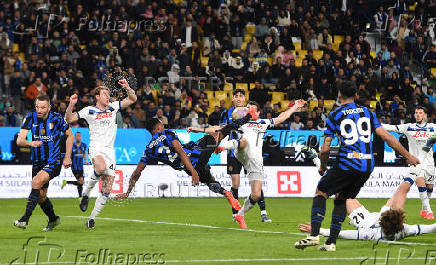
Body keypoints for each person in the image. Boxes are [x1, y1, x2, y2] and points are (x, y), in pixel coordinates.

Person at [294, 81, 419, 251]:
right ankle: (330, 243)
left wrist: (322, 166)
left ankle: (314, 235)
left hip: (347, 162)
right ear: (356, 95)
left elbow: (325, 148)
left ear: (339, 95)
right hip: (367, 165)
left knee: (321, 192)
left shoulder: (335, 114)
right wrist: (408, 156)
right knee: (342, 199)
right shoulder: (368, 112)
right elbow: (386, 136)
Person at [115, 110, 258, 212]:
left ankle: (227, 193)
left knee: (209, 180)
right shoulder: (166, 133)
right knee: (221, 132)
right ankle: (249, 117)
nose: (163, 125)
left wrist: (128, 191)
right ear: (158, 127)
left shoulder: (148, 150)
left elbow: (137, 172)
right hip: (196, 155)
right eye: (162, 124)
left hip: (188, 168)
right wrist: (194, 171)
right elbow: (180, 151)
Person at [214, 99, 306, 228]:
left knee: (256, 194)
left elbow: (281, 117)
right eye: (247, 108)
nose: (247, 110)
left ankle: (240, 214)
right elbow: (220, 128)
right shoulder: (240, 122)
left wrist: (295, 106)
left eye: (251, 109)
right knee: (244, 141)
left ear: (257, 112)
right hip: (240, 151)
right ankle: (224, 147)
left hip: (255, 160)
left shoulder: (263, 122)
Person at [65, 79, 137, 229]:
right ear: (97, 96)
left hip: (110, 150)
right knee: (101, 167)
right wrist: (71, 105)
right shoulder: (89, 110)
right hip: (96, 147)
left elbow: (132, 99)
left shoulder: (113, 107)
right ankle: (86, 194)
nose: (107, 97)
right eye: (104, 94)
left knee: (107, 189)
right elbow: (69, 119)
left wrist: (128, 87)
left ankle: (91, 218)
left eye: (108, 94)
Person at [14, 94, 73, 231]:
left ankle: (24, 220)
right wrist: (30, 142)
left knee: (35, 182)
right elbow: (19, 140)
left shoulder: (57, 119)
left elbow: (70, 135)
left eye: (42, 107)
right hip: (37, 161)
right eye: (37, 107)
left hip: (54, 160)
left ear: (49, 107)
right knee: (41, 196)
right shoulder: (30, 117)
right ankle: (53, 219)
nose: (39, 110)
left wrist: (67, 156)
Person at [220, 89, 271, 222]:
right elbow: (222, 130)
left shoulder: (249, 112)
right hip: (234, 151)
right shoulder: (226, 113)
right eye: (236, 96)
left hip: (249, 153)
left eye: (241, 96)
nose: (238, 98)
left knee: (256, 183)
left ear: (244, 99)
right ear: (232, 99)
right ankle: (235, 212)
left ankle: (263, 212)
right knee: (235, 183)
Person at [382, 106, 436, 220]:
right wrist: (375, 124)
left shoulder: (432, 128)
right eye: (416, 112)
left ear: (425, 115)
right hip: (416, 162)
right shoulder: (409, 127)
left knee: (429, 187)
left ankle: (424, 208)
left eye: (420, 113)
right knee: (420, 182)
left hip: (430, 163)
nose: (417, 115)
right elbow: (391, 128)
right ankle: (429, 210)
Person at [61, 132, 88, 197]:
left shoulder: (84, 145)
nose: (78, 137)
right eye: (77, 136)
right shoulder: (72, 146)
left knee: (81, 182)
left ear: (81, 137)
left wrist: (86, 160)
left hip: (81, 166)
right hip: (74, 166)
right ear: (75, 137)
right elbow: (68, 154)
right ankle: (80, 197)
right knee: (81, 181)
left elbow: (84, 153)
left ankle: (80, 196)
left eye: (79, 136)